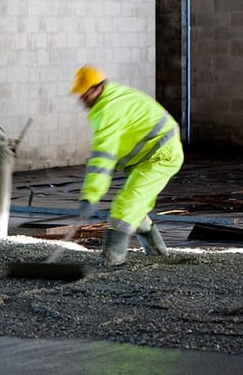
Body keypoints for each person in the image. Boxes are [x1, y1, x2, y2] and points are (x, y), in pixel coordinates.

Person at [70, 65, 184, 266]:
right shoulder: (113, 99)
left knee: (126, 204)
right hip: (149, 156)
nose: (81, 98)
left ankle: (111, 259)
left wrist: (90, 195)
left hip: (160, 156)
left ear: (98, 88)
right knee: (136, 206)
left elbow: (102, 159)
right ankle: (157, 254)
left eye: (85, 93)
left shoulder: (108, 110)